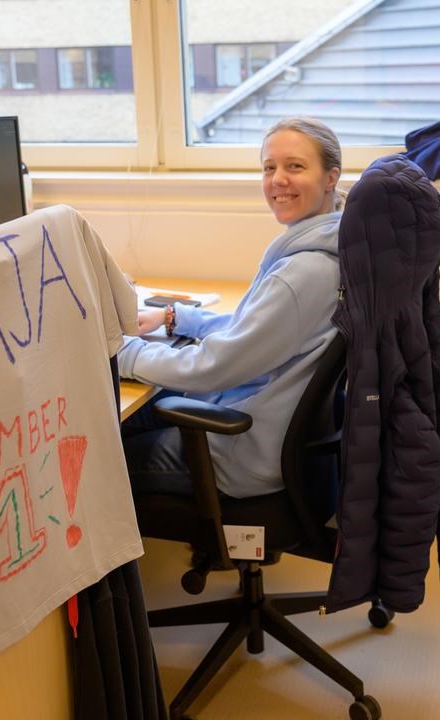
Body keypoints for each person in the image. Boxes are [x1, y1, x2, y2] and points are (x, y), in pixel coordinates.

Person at [117, 117, 345, 499]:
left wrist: (123, 353)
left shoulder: (304, 272)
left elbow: (214, 366)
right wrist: (178, 318)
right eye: (269, 167)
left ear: (330, 178)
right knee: (127, 416)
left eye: (295, 166)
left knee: (94, 461)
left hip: (240, 455)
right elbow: (255, 328)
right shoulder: (330, 243)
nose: (278, 180)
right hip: (268, 434)